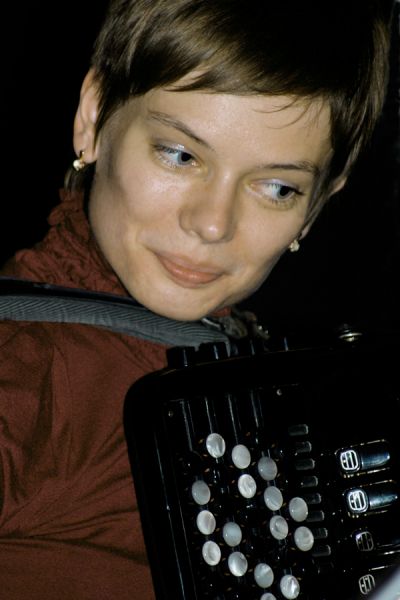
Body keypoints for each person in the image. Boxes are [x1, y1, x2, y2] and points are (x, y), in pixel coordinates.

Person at [0, 1, 392, 598]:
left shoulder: (266, 373)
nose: (212, 224)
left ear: (318, 204)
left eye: (277, 188)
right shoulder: (26, 373)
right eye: (181, 155)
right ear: (93, 115)